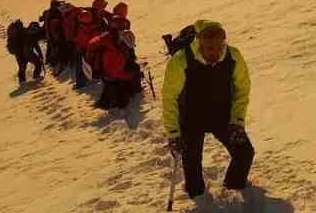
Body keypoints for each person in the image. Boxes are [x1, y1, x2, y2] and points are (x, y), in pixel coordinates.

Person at [162, 20, 254, 202]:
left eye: (220, 47)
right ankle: (198, 198)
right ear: (199, 43)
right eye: (210, 48)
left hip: (222, 114)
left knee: (245, 152)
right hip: (191, 116)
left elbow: (242, 89)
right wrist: (173, 133)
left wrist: (237, 122)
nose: (216, 52)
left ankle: (233, 188)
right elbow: (169, 98)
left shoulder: (233, 56)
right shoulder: (181, 60)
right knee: (191, 160)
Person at [89, 27, 141, 109]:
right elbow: (116, 74)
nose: (128, 49)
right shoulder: (113, 53)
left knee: (133, 69)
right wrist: (132, 75)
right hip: (111, 77)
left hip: (109, 74)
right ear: (122, 43)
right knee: (122, 103)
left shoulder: (113, 42)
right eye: (126, 46)